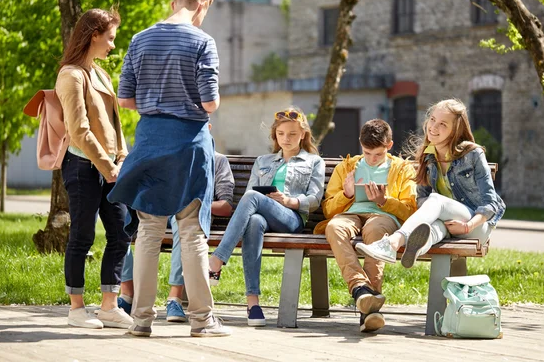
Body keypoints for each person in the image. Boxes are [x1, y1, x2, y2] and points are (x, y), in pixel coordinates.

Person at [107, 0, 230, 337]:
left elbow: (126, 99)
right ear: (202, 6)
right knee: (190, 232)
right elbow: (210, 102)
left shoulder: (140, 38)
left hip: (149, 141)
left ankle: (141, 320)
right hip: (188, 143)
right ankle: (202, 321)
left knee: (147, 229)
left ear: (175, 1)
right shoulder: (202, 41)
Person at [208, 107, 325, 327]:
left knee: (252, 196)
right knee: (253, 221)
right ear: (275, 135)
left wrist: (288, 201)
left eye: (292, 134)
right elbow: (250, 198)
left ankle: (217, 259)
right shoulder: (263, 161)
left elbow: (315, 198)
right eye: (281, 134)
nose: (286, 139)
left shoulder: (313, 162)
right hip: (263, 217)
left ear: (302, 134)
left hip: (291, 219)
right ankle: (253, 304)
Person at [356, 99, 506, 270]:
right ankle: (417, 248)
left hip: (476, 226)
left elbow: (490, 203)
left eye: (443, 124)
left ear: (455, 130)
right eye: (432, 119)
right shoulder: (429, 155)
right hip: (447, 222)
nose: (433, 127)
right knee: (432, 229)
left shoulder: (472, 154)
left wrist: (467, 225)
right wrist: (436, 214)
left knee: (436, 199)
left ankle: (392, 243)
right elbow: (421, 198)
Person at [55, 8, 133, 329]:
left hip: (110, 168)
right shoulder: (71, 75)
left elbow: (113, 122)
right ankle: (76, 309)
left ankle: (109, 306)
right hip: (82, 166)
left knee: (120, 233)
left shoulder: (100, 73)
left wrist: (122, 157)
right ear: (93, 36)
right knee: (82, 236)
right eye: (110, 38)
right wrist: (106, 165)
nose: (113, 45)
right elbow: (79, 130)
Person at [314, 119, 417, 333]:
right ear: (361, 145)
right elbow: (328, 210)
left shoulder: (402, 169)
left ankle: (366, 307)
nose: (371, 159)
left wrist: (384, 201)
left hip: (383, 215)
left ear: (389, 146)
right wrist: (347, 194)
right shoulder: (348, 167)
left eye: (378, 154)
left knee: (375, 230)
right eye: (367, 153)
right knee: (334, 227)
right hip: (350, 213)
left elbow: (410, 210)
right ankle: (361, 292)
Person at [117, 150, 235, 323]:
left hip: (188, 216)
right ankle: (127, 294)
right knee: (119, 222)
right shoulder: (168, 155)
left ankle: (174, 299)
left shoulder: (217, 160)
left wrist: (195, 204)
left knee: (183, 221)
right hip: (158, 211)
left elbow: (226, 206)